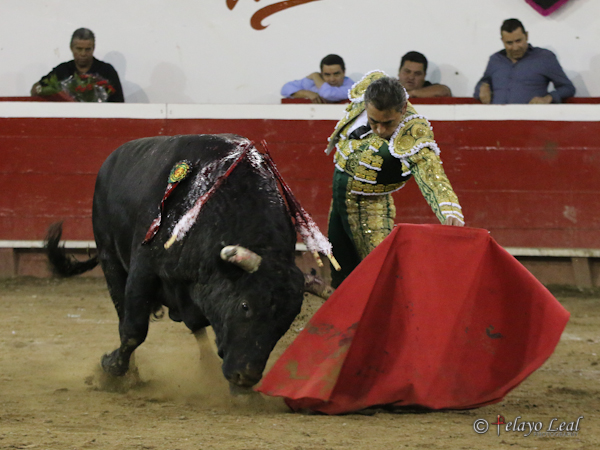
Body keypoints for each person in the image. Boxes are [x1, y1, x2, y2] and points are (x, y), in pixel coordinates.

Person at [325, 71, 464, 287]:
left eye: (388, 123)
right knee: (340, 263)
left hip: (370, 207)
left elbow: (431, 174)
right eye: (373, 122)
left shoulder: (413, 131)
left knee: (381, 270)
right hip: (339, 199)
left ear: (403, 109)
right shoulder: (368, 90)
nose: (380, 130)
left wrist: (449, 211)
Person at [474, 18, 575, 104]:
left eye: (518, 41)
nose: (515, 47)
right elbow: (482, 85)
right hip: (496, 118)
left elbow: (568, 88)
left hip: (531, 119)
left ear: (526, 36)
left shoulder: (544, 58)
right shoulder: (495, 60)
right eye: (509, 43)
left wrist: (548, 98)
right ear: (502, 41)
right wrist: (482, 87)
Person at [31, 28, 124, 102]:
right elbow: (35, 89)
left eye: (88, 49)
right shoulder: (62, 70)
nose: (83, 54)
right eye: (79, 49)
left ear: (93, 48)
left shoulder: (107, 71)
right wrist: (48, 91)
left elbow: (119, 103)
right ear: (71, 48)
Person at [281, 54, 354, 103]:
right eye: (327, 75)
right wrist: (307, 93)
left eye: (336, 74)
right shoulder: (315, 81)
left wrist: (315, 76)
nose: (332, 79)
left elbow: (328, 94)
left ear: (344, 72)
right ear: (321, 74)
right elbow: (285, 88)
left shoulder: (352, 87)